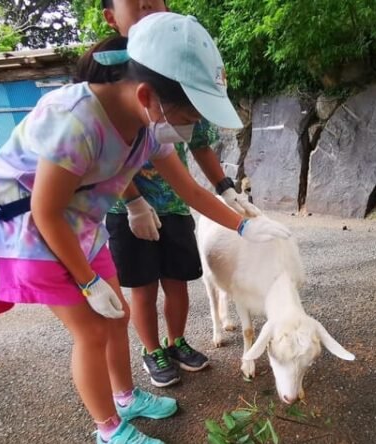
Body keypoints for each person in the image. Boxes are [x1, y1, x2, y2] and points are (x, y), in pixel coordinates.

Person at [0, 12, 290, 444]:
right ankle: (108, 433)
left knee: (118, 315)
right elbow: (45, 211)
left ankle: (125, 398)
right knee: (89, 330)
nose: (191, 126)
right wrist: (87, 282)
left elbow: (187, 190)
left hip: (79, 224)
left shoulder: (149, 123)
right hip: (33, 229)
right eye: (189, 114)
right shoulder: (77, 121)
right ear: (148, 95)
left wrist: (244, 225)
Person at [98, 0, 258, 388]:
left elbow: (196, 154)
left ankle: (177, 342)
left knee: (178, 279)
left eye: (157, 0)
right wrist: (134, 201)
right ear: (110, 16)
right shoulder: (111, 90)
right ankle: (152, 351)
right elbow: (108, 157)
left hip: (173, 203)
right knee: (142, 287)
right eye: (137, 3)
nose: (149, 7)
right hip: (125, 207)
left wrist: (228, 193)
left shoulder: (179, 87)